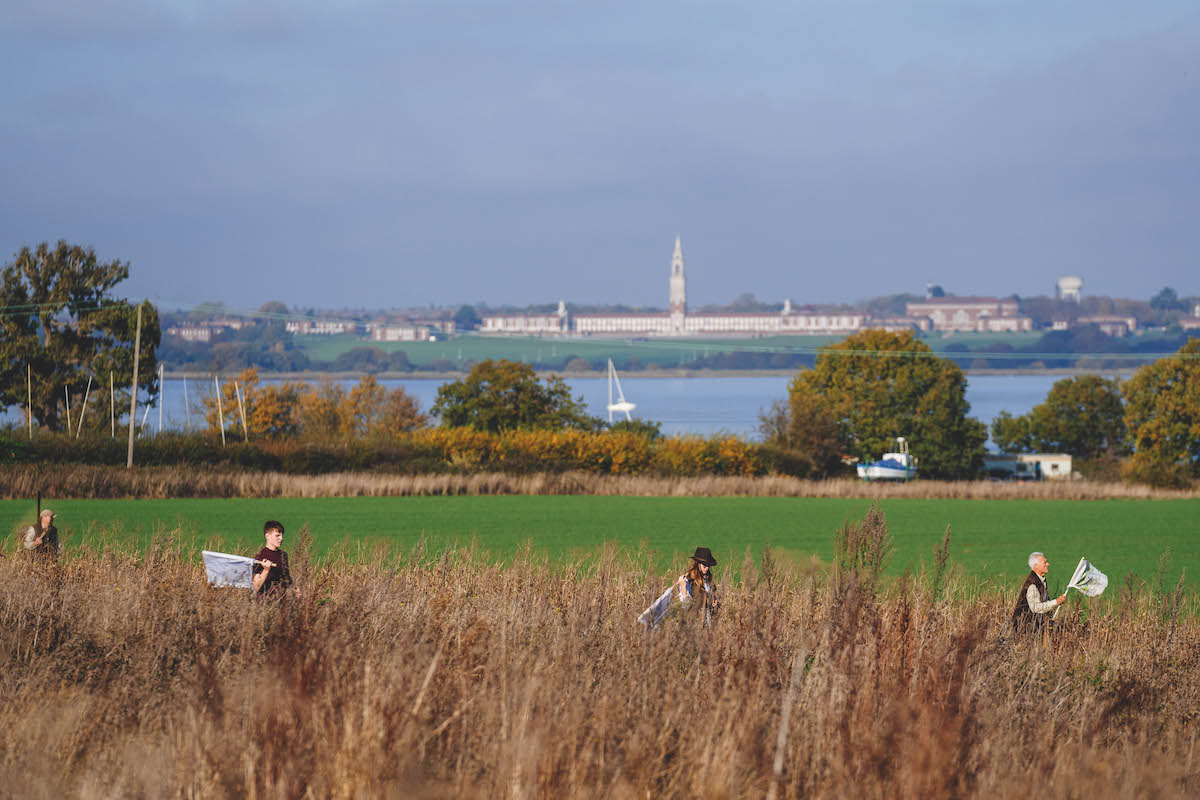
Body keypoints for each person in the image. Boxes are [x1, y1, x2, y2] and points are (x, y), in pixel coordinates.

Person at [638, 546, 721, 628]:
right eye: (704, 566)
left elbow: (710, 606)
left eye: (708, 566)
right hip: (690, 627)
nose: (707, 568)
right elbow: (685, 605)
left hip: (707, 627)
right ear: (698, 564)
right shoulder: (688, 580)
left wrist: (714, 604)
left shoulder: (708, 581)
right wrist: (683, 587)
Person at [1011, 551, 1066, 633]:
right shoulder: (1032, 584)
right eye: (1045, 562)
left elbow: (1044, 602)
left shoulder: (1040, 580)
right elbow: (1036, 608)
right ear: (1036, 566)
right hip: (1024, 630)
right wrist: (1056, 602)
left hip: (1033, 628)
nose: (1048, 564)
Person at [252, 520, 299, 599]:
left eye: (282, 535)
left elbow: (286, 578)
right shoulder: (260, 557)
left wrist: (295, 589)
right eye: (277, 535)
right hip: (264, 605)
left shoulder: (283, 555)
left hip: (281, 604)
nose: (281, 538)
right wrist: (266, 570)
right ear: (267, 536)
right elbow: (255, 587)